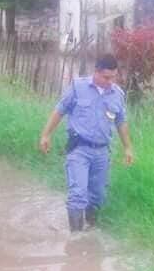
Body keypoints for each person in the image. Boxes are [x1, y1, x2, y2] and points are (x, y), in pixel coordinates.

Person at [39, 54, 134, 232]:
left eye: (113, 77)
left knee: (97, 196)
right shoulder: (78, 87)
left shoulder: (117, 94)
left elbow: (121, 121)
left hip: (102, 152)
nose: (110, 81)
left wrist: (128, 147)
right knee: (78, 194)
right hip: (79, 149)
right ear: (96, 72)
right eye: (106, 77)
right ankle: (76, 237)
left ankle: (90, 230)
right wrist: (46, 135)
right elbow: (60, 110)